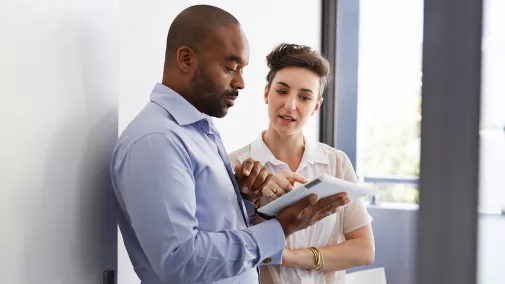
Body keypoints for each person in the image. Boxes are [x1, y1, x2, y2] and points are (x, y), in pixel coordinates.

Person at [110, 5, 350, 284]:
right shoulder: (157, 141)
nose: (240, 82)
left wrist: (249, 202)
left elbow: (211, 230)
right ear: (186, 59)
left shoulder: (198, 132)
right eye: (230, 67)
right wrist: (281, 228)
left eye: (242, 69)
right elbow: (181, 260)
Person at [228, 43, 375, 284]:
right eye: (282, 91)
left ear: (316, 105)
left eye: (305, 97)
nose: (290, 105)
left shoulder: (336, 162)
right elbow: (228, 251)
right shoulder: (236, 166)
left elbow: (364, 250)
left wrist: (287, 257)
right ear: (266, 93)